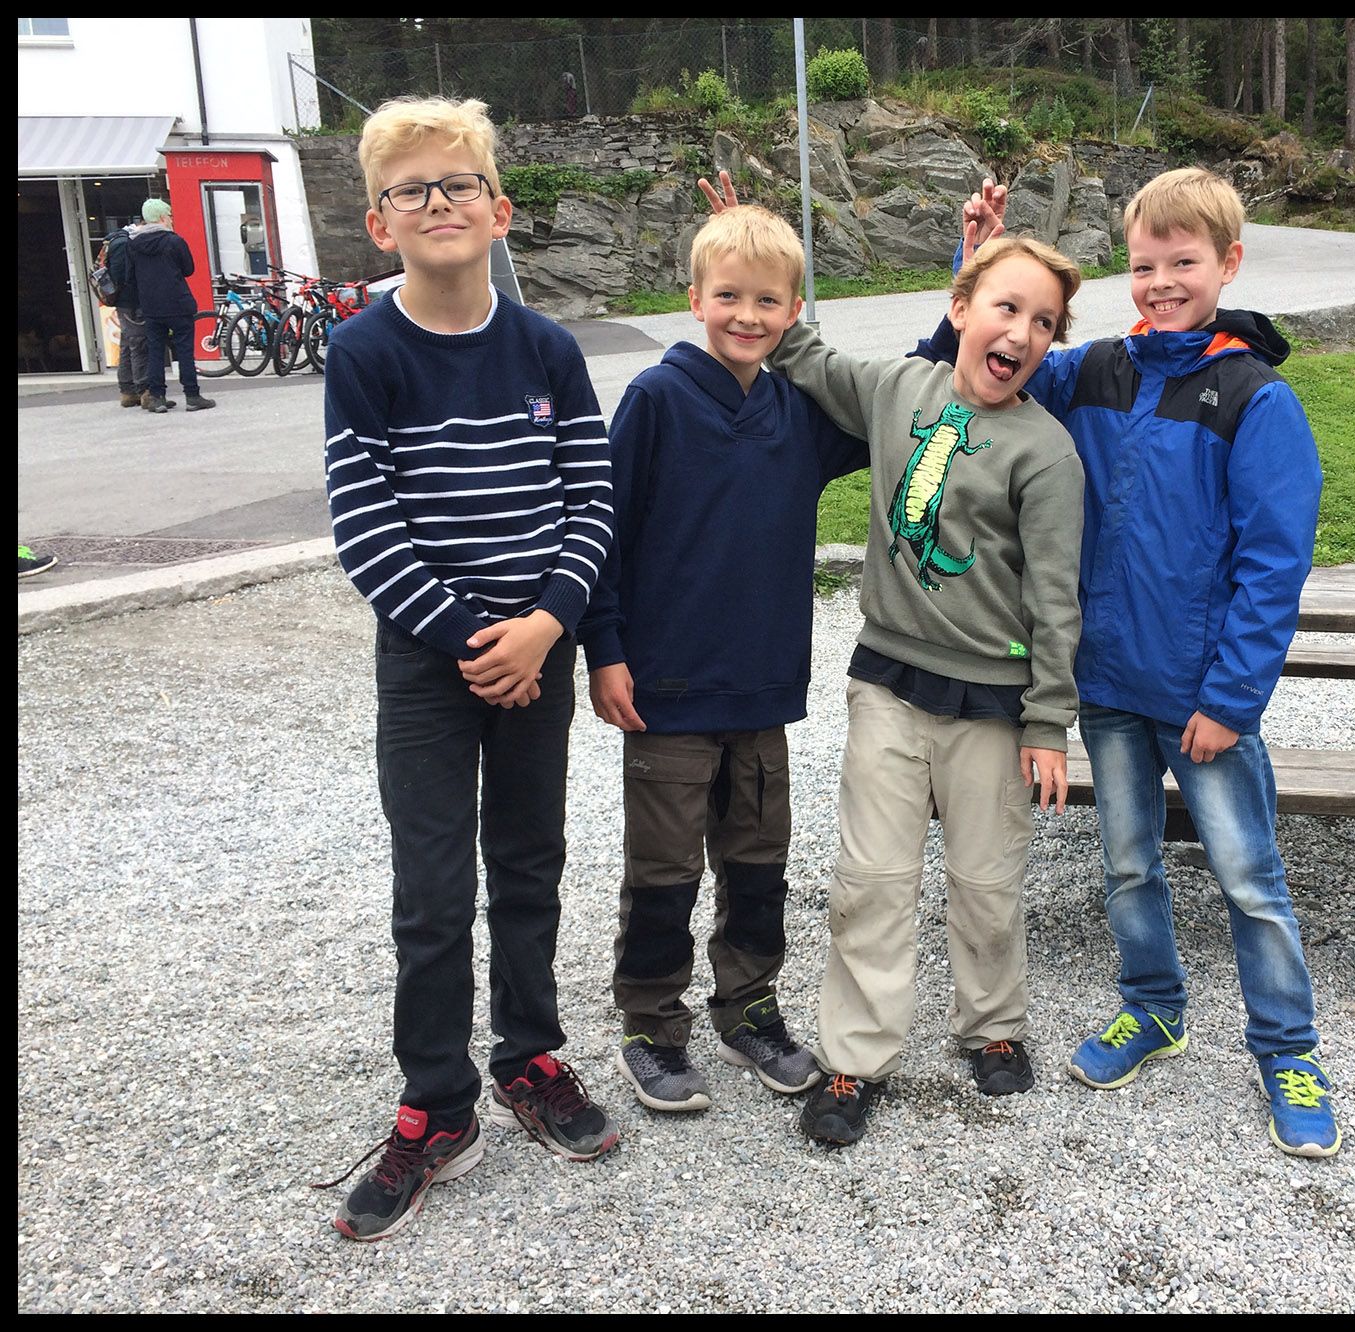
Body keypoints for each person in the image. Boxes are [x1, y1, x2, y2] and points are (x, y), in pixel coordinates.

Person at [950, 169, 1339, 1158]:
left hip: (1203, 700)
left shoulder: (1256, 398)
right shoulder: (1093, 371)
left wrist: (1233, 697)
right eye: (1144, 265)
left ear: (1229, 263)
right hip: (1110, 688)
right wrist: (980, 261)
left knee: (1248, 881)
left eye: (1183, 262)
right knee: (1128, 867)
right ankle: (1153, 1008)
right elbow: (985, 363)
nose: (1162, 282)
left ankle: (1288, 1050)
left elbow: (1273, 565)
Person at [315, 95, 618, 1242]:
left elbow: (590, 501)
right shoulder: (365, 353)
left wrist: (544, 626)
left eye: (458, 185)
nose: (437, 203)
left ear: (500, 210)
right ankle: (437, 1104)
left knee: (529, 866)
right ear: (379, 221)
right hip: (429, 664)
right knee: (433, 896)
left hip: (539, 649)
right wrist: (471, 640)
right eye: (411, 190)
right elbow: (366, 527)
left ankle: (528, 1055)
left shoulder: (548, 351)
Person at [758, 220, 1085, 1147]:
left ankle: (993, 1025)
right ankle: (856, 1058)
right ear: (961, 309)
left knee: (986, 881)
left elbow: (1056, 599)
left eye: (1044, 323)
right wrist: (758, 261)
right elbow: (804, 354)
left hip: (994, 704)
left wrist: (1048, 723)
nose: (1021, 333)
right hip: (889, 684)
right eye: (1007, 308)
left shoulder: (1047, 454)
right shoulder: (898, 388)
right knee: (871, 879)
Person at [580, 200, 868, 1115]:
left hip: (762, 689)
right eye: (731, 296)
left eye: (768, 301)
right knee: (663, 873)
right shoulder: (657, 401)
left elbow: (899, 407)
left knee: (757, 868)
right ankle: (650, 1024)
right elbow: (603, 533)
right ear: (695, 297)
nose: (748, 315)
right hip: (666, 689)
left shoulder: (796, 413)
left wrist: (958, 301)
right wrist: (604, 649)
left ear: (794, 313)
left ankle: (747, 1007)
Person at [129, 199, 216, 414]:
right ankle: (192, 396)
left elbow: (130, 275)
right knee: (184, 350)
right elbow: (188, 269)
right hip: (178, 303)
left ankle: (157, 397)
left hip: (151, 306)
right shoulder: (174, 241)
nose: (171, 219)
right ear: (161, 218)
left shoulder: (134, 244)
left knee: (155, 352)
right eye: (169, 216)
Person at [104, 214, 152, 408]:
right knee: (139, 344)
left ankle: (127, 391)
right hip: (130, 301)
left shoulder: (120, 240)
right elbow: (121, 276)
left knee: (128, 343)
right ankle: (145, 391)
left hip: (125, 301)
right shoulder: (124, 243)